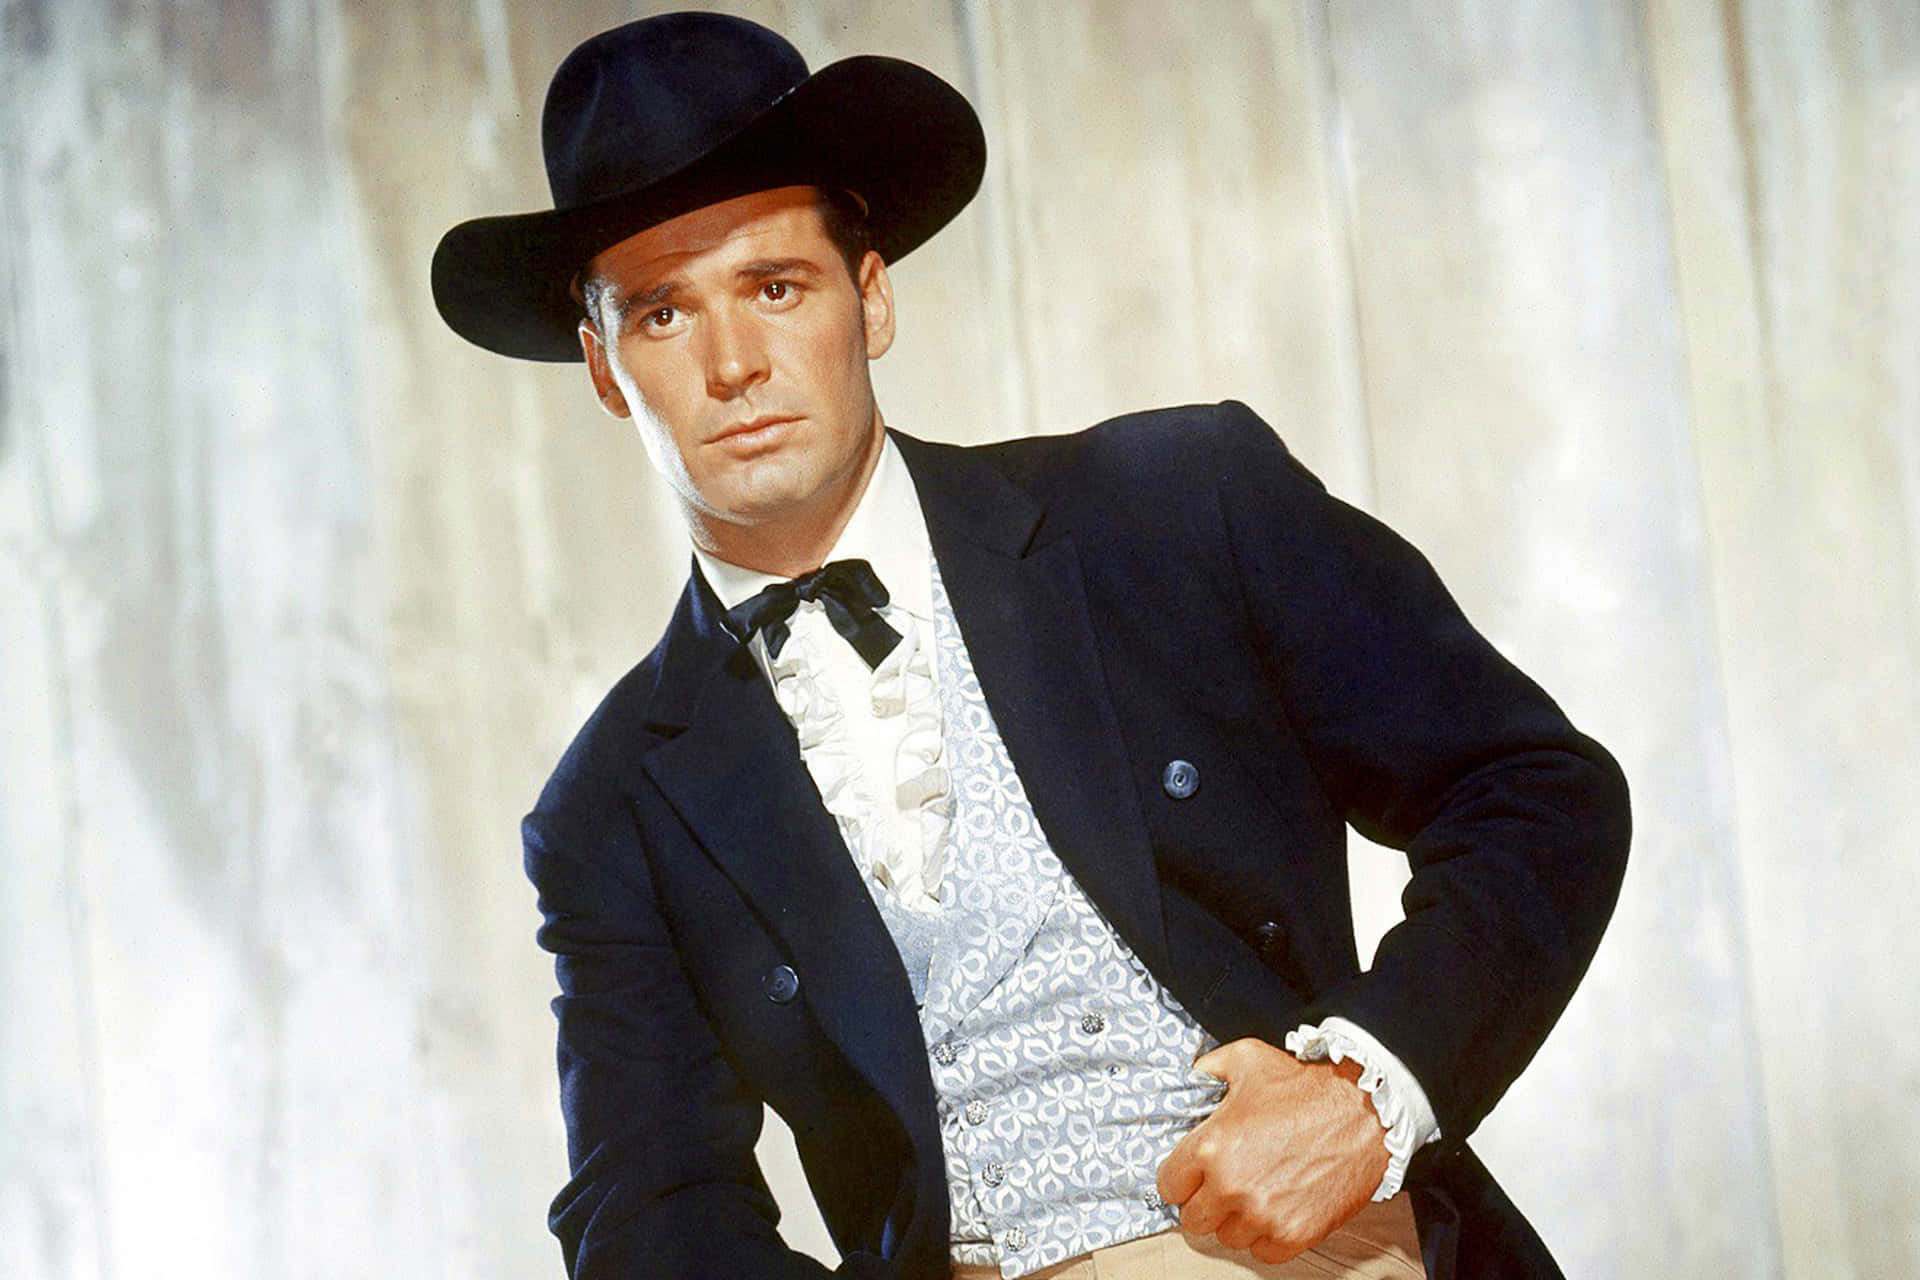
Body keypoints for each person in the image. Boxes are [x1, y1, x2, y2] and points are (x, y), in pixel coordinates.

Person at [430, 13, 1629, 1280]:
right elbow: (648, 1205)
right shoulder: (610, 803)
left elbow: (1533, 791)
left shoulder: (1175, 505)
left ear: (870, 297)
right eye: (663, 314)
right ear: (604, 365)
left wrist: (1365, 1094)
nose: (732, 364)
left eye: (775, 287)